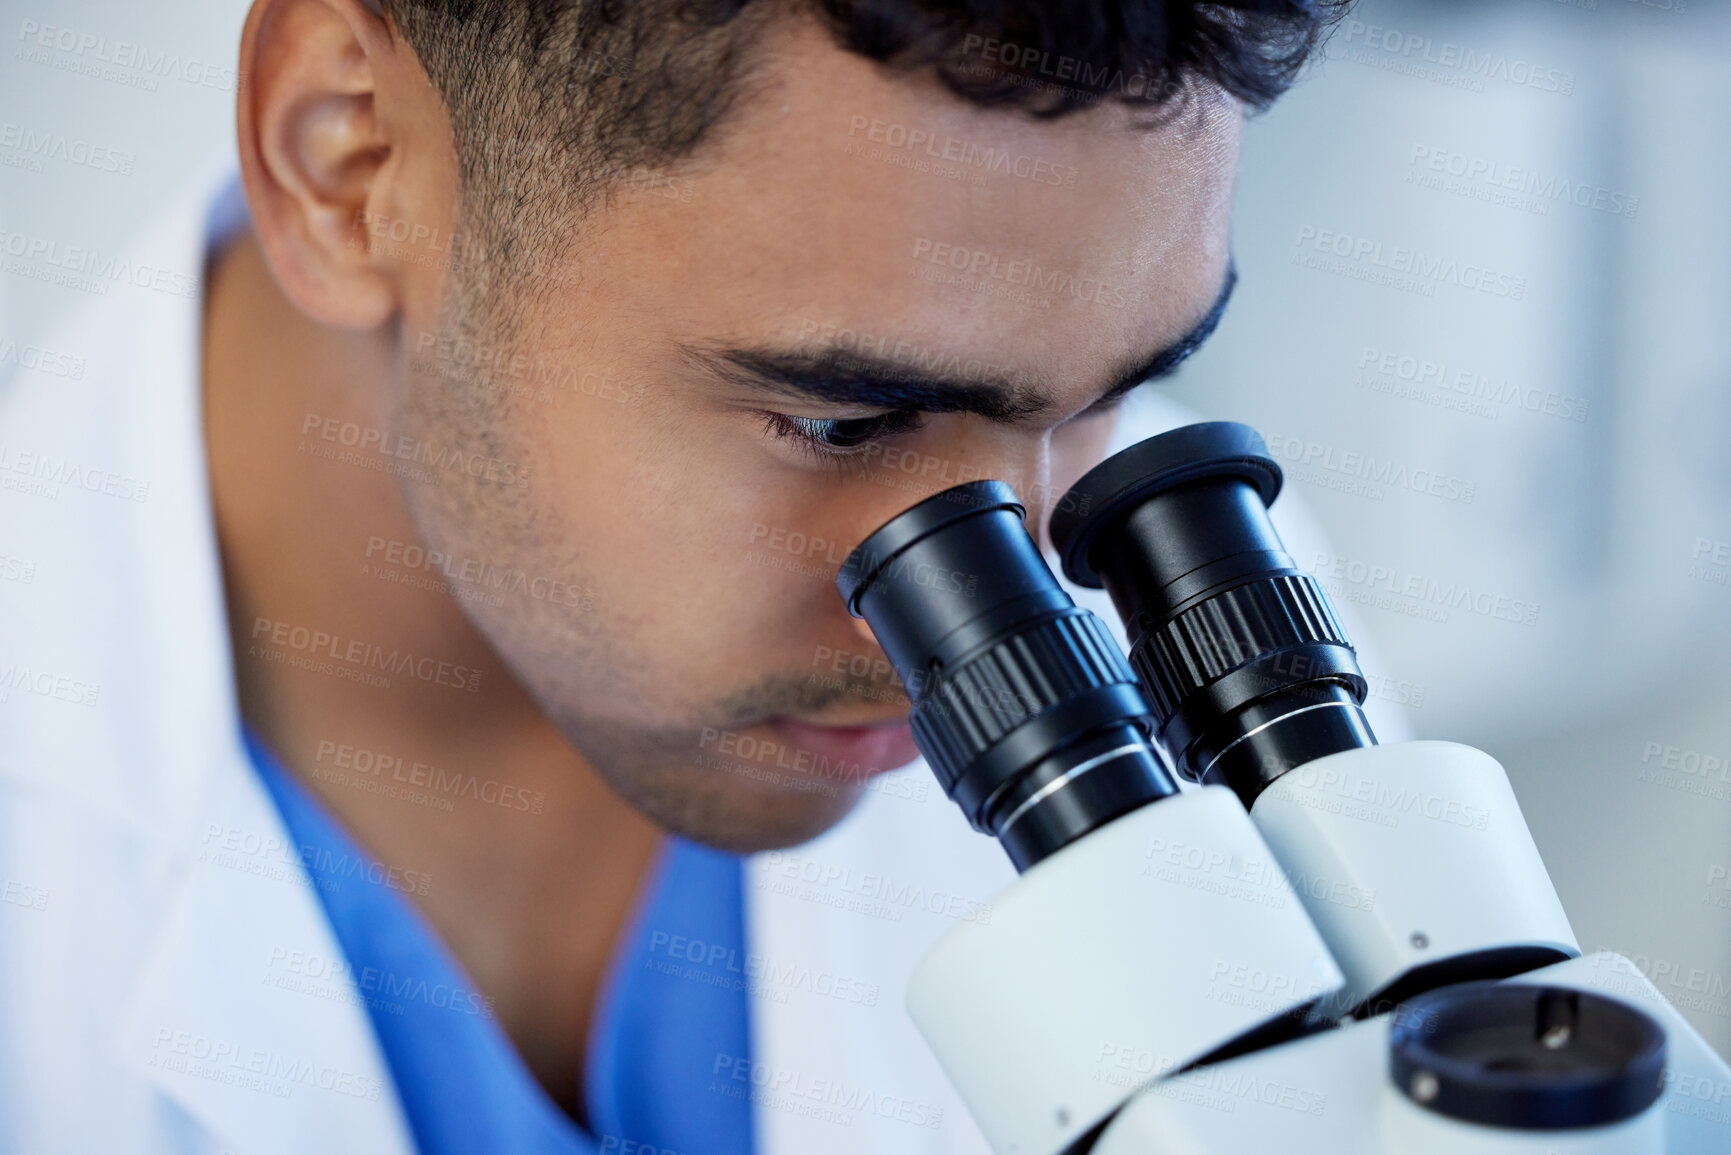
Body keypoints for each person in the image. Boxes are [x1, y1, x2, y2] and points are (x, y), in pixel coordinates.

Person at [0, 1, 1352, 1151]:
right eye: (845, 424)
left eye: (1119, 389)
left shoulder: (1178, 576)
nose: (1035, 606)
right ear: (353, 166)